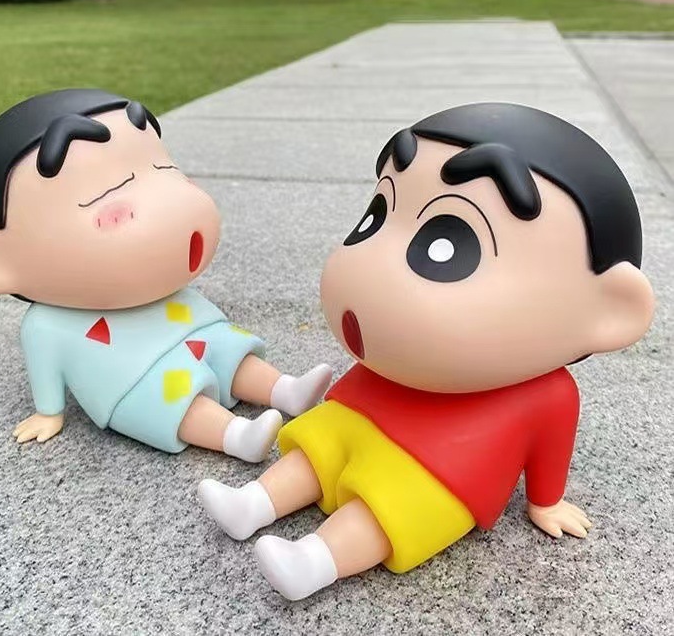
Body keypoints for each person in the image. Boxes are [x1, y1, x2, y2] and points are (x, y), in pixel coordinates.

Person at [198, 102, 655, 599]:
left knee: (386, 509)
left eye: (448, 246)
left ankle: (313, 561)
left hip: (443, 470)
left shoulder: (547, 393)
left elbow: (550, 446)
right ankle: (253, 502)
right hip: (362, 416)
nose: (370, 261)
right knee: (315, 452)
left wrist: (545, 503)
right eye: (375, 217)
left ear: (608, 313)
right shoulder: (399, 358)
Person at [0, 89, 331, 459]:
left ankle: (285, 390)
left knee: (231, 352)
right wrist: (49, 412)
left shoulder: (165, 288)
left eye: (165, 170)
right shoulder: (48, 324)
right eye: (104, 193)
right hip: (130, 377)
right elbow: (45, 365)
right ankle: (236, 436)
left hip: (190, 328)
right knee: (174, 397)